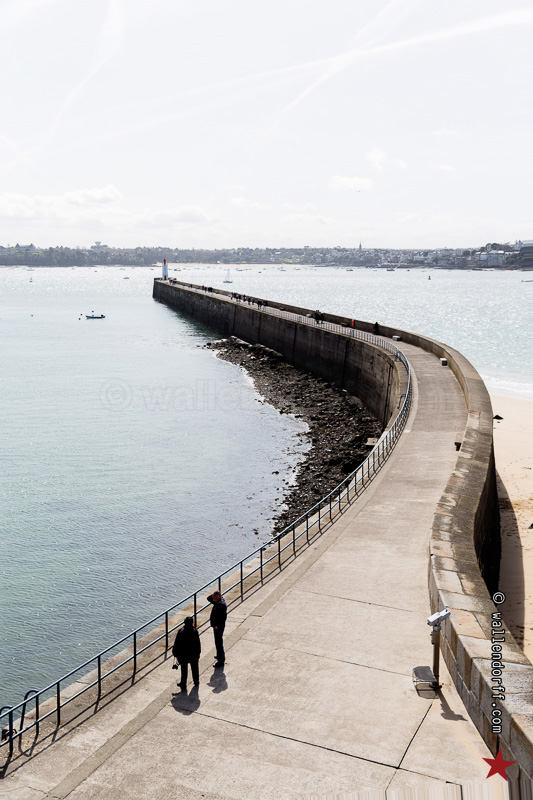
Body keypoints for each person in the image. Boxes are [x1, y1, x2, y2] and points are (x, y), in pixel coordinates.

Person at [172, 617, 201, 689]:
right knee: (195, 668)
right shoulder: (194, 631)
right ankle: (196, 681)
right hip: (193, 654)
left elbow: (177, 644)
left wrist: (175, 653)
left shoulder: (181, 632)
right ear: (192, 623)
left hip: (183, 654)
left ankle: (183, 684)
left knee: (184, 670)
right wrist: (198, 654)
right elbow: (198, 644)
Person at [207, 590, 227, 667]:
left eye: (215, 597)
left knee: (219, 643)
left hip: (218, 627)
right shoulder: (217, 602)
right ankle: (219, 656)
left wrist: (216, 625)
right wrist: (213, 596)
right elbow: (208, 598)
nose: (213, 599)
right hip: (217, 626)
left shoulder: (221, 605)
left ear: (219, 597)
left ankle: (220, 661)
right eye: (213, 597)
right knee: (218, 642)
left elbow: (223, 618)